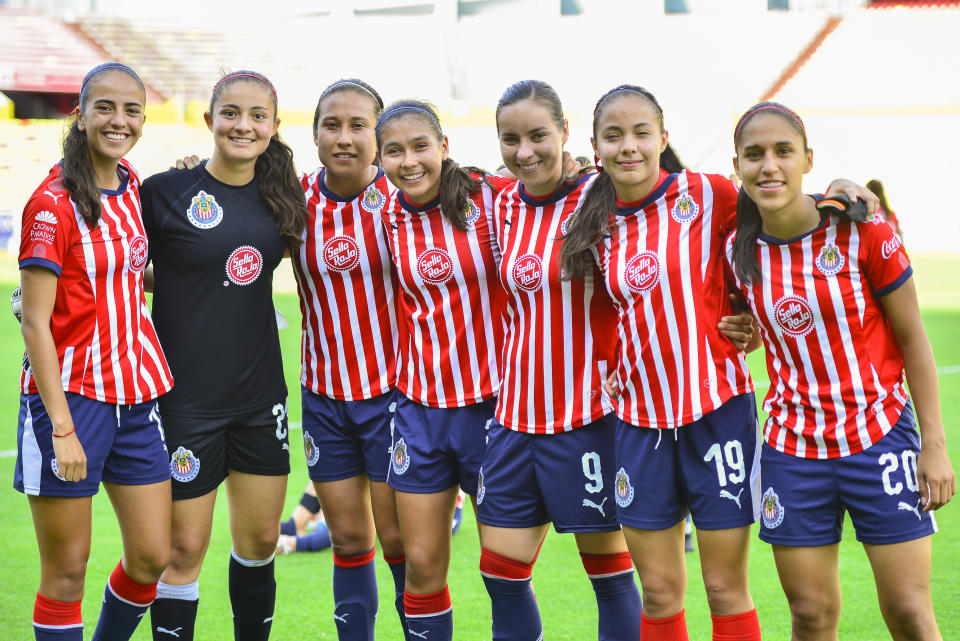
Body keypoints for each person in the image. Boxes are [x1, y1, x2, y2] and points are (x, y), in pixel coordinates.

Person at [726, 101, 955, 641]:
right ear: (737, 166)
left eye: (784, 151)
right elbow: (748, 320)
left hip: (878, 437)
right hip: (791, 450)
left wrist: (935, 445)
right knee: (809, 615)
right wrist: (746, 330)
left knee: (908, 612)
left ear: (808, 158)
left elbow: (913, 338)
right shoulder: (735, 246)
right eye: (753, 154)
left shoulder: (860, 229)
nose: (769, 166)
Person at [560, 84, 763, 641]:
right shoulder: (586, 219)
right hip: (637, 424)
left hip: (717, 411)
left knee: (724, 590)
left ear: (663, 138)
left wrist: (755, 321)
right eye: (614, 136)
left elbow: (781, 222)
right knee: (659, 593)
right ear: (595, 148)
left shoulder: (710, 193)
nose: (629, 146)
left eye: (641, 133)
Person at [141, 70, 307, 641]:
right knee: (182, 548)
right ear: (209, 120)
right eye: (231, 112)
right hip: (185, 400)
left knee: (260, 542)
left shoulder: (287, 197)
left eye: (257, 115)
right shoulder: (164, 192)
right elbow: (124, 269)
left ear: (274, 127)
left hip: (260, 397)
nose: (243, 124)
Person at [476, 79, 642, 641]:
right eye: (510, 140)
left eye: (538, 136)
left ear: (566, 132)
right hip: (514, 417)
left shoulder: (606, 193)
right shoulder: (498, 203)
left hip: (588, 417)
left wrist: (834, 193)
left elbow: (694, 209)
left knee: (611, 579)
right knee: (501, 572)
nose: (525, 152)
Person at [15, 62, 174, 641]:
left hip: (134, 398)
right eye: (105, 107)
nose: (119, 120)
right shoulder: (50, 204)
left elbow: (130, 275)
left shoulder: (131, 185)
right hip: (69, 402)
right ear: (80, 115)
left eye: (132, 109)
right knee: (66, 572)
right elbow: (34, 322)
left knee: (153, 556)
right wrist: (61, 427)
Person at [374, 99, 510, 640]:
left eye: (420, 146)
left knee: (504, 569)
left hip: (492, 408)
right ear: (379, 158)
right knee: (422, 568)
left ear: (444, 147)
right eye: (394, 151)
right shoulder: (383, 214)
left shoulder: (491, 200)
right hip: (419, 413)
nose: (409, 161)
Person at [292, 78, 408, 640]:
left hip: (394, 397)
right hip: (323, 398)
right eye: (331, 125)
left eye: (358, 125)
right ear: (314, 133)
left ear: (378, 133)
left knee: (398, 542)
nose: (344, 137)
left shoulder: (404, 197)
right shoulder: (290, 199)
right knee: (348, 540)